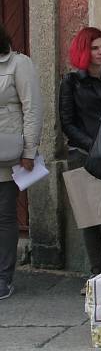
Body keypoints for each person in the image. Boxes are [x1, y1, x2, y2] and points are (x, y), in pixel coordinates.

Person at [59, 27, 101, 290]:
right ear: (84, 51)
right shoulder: (71, 82)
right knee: (90, 217)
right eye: (95, 48)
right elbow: (67, 123)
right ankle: (96, 272)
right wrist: (92, 145)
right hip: (83, 155)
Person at [0, 23, 42, 300]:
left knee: (4, 216)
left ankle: (3, 277)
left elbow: (32, 107)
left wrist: (29, 150)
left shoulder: (18, 63)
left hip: (6, 151)